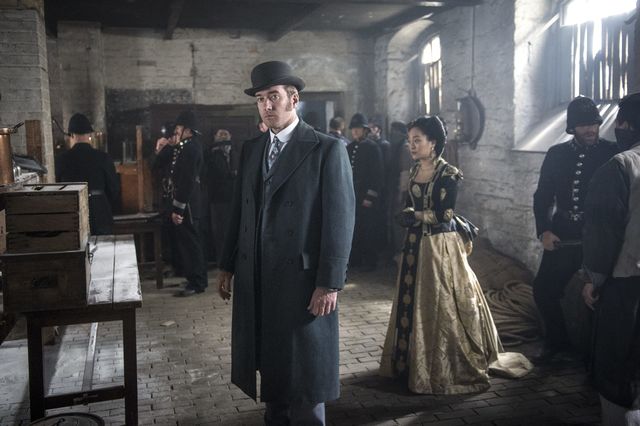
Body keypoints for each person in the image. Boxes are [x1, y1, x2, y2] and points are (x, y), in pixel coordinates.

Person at [217, 61, 355, 425]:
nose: (266, 105)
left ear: (294, 99)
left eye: (273, 96)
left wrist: (329, 283)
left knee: (305, 378)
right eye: (260, 98)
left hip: (302, 282)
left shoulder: (327, 149)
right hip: (258, 278)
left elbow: (340, 223)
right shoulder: (252, 149)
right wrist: (227, 264)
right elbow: (240, 212)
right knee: (272, 368)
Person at [379, 115, 531, 394]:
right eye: (410, 141)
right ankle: (412, 362)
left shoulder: (449, 174)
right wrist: (407, 213)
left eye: (417, 140)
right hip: (414, 244)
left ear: (433, 142)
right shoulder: (414, 170)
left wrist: (415, 216)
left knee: (442, 301)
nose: (412, 145)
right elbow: (410, 203)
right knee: (413, 299)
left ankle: (443, 364)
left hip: (438, 247)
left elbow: (445, 214)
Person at [532, 96, 619, 362]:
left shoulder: (612, 153)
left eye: (593, 123)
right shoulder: (556, 154)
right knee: (543, 289)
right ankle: (557, 341)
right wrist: (544, 230)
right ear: (572, 128)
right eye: (583, 125)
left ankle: (595, 356)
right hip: (563, 234)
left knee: (600, 295)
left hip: (599, 236)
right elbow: (542, 196)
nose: (590, 129)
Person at [582, 92, 640, 425]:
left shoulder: (620, 166)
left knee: (617, 361)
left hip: (626, 284)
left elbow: (603, 234)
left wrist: (594, 280)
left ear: (626, 124)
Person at [154, 111, 208, 297]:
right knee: (187, 242)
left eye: (179, 127)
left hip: (188, 203)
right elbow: (162, 165)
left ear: (188, 130)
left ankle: (197, 282)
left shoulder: (192, 148)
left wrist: (179, 208)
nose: (176, 130)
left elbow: (187, 181)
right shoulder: (184, 146)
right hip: (185, 201)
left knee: (192, 243)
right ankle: (194, 277)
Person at [55, 113, 119, 235]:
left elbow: (58, 189)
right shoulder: (103, 158)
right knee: (103, 245)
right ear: (89, 135)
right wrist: (101, 200)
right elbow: (114, 189)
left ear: (71, 135)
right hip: (100, 211)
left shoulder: (62, 159)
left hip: (73, 212)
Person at [347, 112, 384, 271]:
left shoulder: (373, 148)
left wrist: (370, 196)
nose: (355, 131)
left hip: (366, 194)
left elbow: (377, 175)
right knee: (354, 228)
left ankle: (370, 260)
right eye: (353, 129)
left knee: (369, 228)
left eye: (358, 128)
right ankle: (355, 258)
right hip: (353, 194)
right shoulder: (349, 148)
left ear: (365, 130)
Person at [208, 128, 236, 263]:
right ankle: (222, 259)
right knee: (220, 231)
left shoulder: (233, 153)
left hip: (232, 197)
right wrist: (232, 174)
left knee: (231, 229)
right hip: (219, 198)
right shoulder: (214, 156)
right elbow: (220, 174)